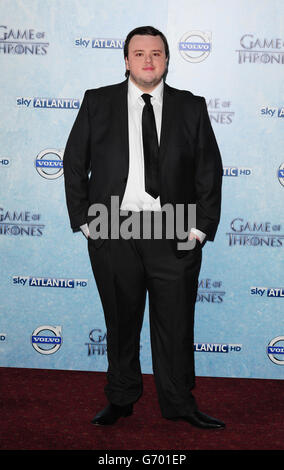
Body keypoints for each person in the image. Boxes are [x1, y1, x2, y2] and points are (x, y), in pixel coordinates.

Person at [63, 26, 224, 429]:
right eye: (139, 53)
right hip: (112, 229)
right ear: (126, 60)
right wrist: (85, 221)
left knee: (176, 325)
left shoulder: (192, 107)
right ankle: (120, 398)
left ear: (167, 60)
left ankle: (179, 402)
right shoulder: (98, 102)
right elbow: (73, 162)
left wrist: (200, 229)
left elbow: (209, 171)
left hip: (174, 233)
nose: (148, 60)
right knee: (121, 322)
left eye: (156, 53)